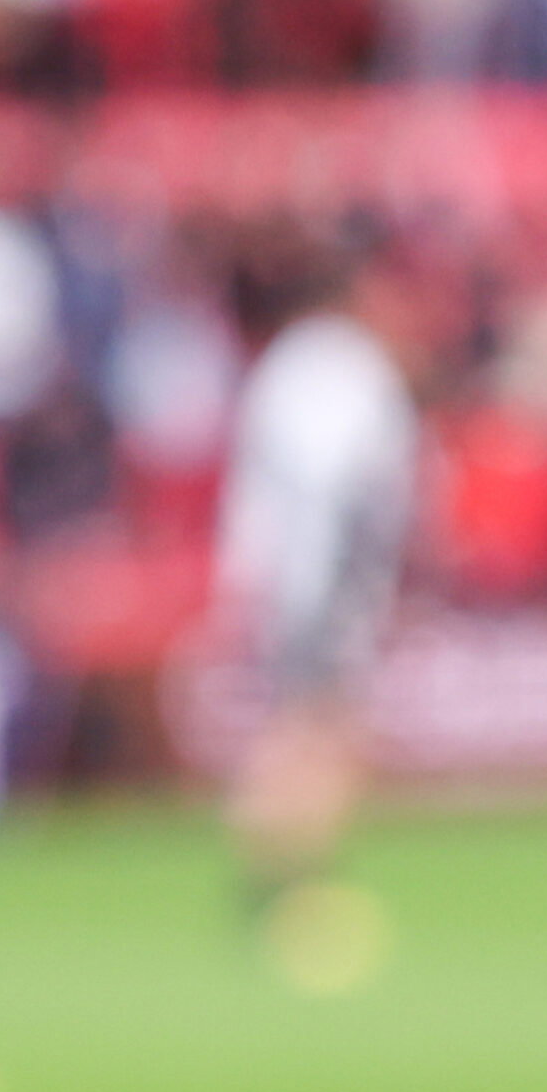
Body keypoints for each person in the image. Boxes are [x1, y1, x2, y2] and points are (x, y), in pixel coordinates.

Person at [213, 251, 420, 897]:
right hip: (326, 581)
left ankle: (283, 864)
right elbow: (354, 489)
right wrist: (363, 589)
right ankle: (286, 869)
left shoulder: (282, 365)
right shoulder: (348, 367)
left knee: (304, 721)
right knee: (321, 728)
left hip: (283, 578)